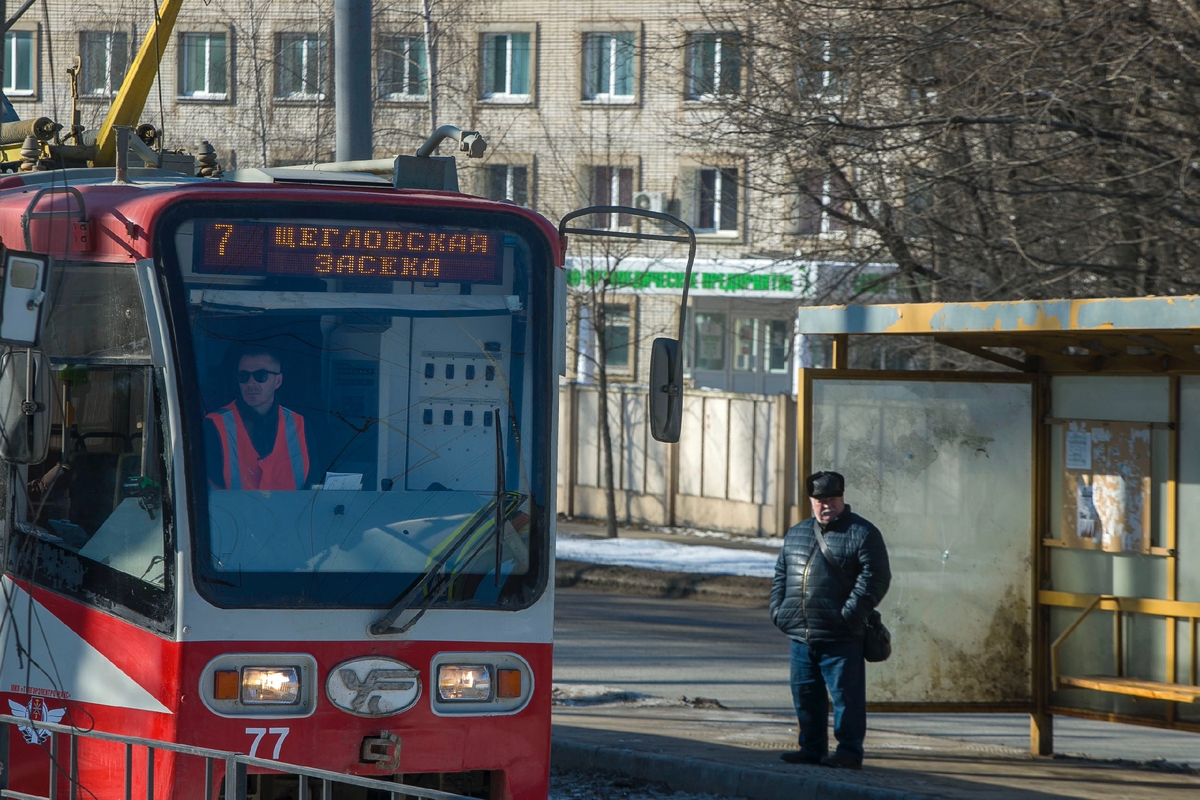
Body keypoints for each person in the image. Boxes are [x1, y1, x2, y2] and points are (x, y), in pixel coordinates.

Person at [769, 470, 891, 770]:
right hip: (801, 635)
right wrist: (778, 611)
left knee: (845, 699)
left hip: (842, 637)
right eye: (820, 500)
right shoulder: (797, 533)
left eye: (833, 500)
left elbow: (876, 578)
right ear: (811, 501)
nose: (827, 506)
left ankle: (849, 752)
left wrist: (848, 616)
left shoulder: (863, 533)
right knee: (805, 694)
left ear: (842, 499)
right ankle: (811, 748)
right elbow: (781, 575)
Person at [204, 346, 312, 490]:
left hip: (291, 512)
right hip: (231, 512)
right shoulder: (213, 426)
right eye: (243, 376)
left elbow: (314, 489)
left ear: (278, 381)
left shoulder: (301, 426)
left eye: (261, 375)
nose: (250, 383)